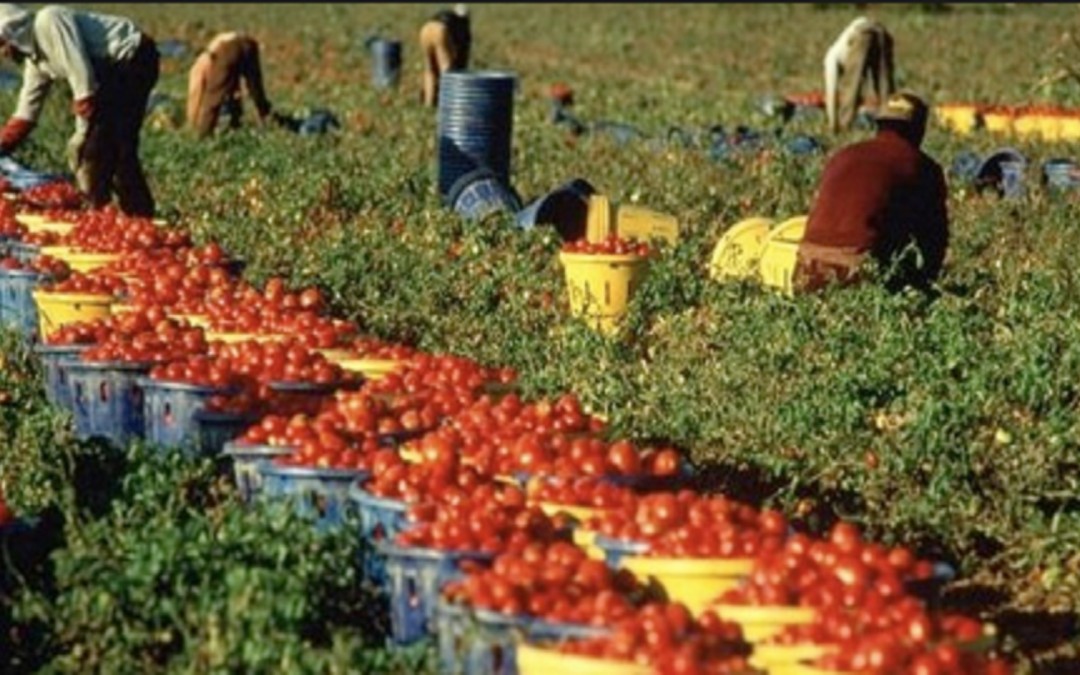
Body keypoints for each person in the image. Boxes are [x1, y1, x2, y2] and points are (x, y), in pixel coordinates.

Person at [0, 3, 159, 217]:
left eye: (2, 44)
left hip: (133, 57)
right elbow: (26, 113)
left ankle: (128, 218)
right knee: (108, 148)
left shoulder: (50, 21)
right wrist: (2, 145)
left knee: (105, 149)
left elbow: (82, 80)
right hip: (109, 73)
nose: (4, 53)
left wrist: (81, 136)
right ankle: (118, 216)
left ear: (13, 31)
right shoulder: (36, 62)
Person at [794, 92, 949, 293]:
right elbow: (933, 240)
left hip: (806, 266)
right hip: (858, 270)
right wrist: (926, 284)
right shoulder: (922, 167)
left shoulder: (843, 155)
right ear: (919, 129)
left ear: (879, 124)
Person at [187, 31, 284, 138]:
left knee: (213, 100)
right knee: (256, 93)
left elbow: (195, 94)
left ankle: (203, 137)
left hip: (230, 49)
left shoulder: (199, 66)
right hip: (248, 44)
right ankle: (270, 122)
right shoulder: (212, 52)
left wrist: (192, 122)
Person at [824, 16, 895, 133]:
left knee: (852, 87)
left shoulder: (831, 59)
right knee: (885, 86)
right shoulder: (839, 50)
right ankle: (891, 125)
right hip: (880, 29)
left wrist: (833, 124)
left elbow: (831, 95)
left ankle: (844, 127)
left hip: (862, 33)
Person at [419, 4, 471, 108]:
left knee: (429, 70)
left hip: (426, 28)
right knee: (446, 70)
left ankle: (428, 103)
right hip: (441, 30)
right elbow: (462, 53)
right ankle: (447, 105)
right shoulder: (462, 24)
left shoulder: (448, 15)